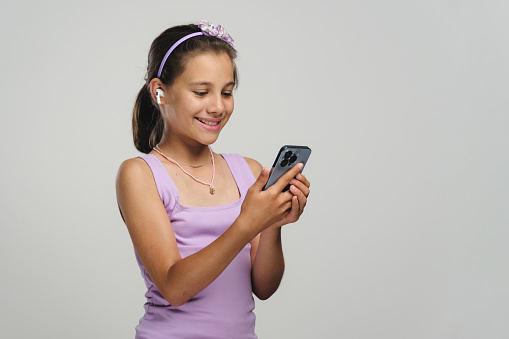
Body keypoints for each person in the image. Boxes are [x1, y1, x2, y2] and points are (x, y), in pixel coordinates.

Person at [116, 21, 311, 338]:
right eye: (201, 92)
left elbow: (264, 288)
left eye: (227, 92)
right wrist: (248, 223)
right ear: (160, 91)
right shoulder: (140, 174)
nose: (218, 106)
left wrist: (273, 223)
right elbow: (174, 288)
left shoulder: (247, 170)